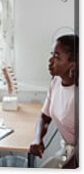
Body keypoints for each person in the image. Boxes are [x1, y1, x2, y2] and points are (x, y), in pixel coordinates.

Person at [29, 34, 79, 168]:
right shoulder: (56, 82)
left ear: (72, 65)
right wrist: (37, 139)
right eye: (52, 54)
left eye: (57, 57)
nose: (50, 60)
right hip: (69, 151)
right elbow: (45, 117)